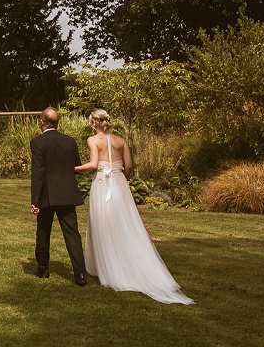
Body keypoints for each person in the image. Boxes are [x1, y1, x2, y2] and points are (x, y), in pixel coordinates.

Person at [75, 109, 193, 304]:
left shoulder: (93, 140)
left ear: (93, 123)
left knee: (102, 223)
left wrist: (73, 168)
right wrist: (121, 178)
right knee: (124, 223)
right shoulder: (121, 141)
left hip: (102, 185)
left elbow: (94, 164)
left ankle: (106, 267)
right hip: (119, 182)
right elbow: (128, 166)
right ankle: (123, 262)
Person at [30, 107, 88, 286]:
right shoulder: (70, 141)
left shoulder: (38, 143)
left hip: (47, 193)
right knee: (72, 232)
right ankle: (80, 274)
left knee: (43, 231)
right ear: (57, 122)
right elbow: (75, 165)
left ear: (42, 122)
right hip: (67, 192)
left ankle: (43, 268)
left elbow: (38, 172)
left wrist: (35, 200)